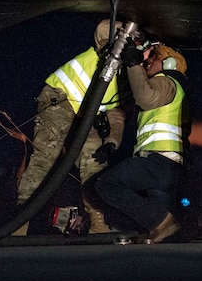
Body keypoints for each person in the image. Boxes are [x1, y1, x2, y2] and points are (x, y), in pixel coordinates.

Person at [13, 19, 127, 235]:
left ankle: (98, 221)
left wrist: (111, 144)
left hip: (82, 114)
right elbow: (105, 41)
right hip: (59, 99)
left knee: (94, 160)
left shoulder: (122, 70)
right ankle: (19, 223)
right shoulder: (106, 58)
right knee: (46, 158)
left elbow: (116, 114)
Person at [94, 42, 189, 243]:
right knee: (161, 234)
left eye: (155, 57)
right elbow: (123, 113)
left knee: (107, 184)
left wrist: (132, 63)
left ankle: (161, 221)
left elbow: (145, 97)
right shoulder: (174, 89)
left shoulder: (167, 81)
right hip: (168, 165)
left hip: (157, 161)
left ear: (169, 63)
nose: (149, 61)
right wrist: (112, 142)